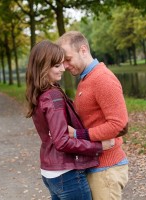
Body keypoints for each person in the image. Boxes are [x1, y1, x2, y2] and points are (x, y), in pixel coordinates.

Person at [25, 40, 114, 200]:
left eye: (62, 64)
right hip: (67, 175)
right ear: (43, 67)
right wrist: (98, 146)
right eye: (57, 66)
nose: (63, 68)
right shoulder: (53, 96)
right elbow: (62, 142)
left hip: (50, 172)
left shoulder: (39, 94)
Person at [56, 31, 129, 200]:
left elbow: (119, 124)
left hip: (107, 168)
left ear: (83, 50)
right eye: (62, 62)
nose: (65, 66)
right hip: (95, 165)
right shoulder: (86, 79)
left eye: (68, 59)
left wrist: (78, 134)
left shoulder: (102, 78)